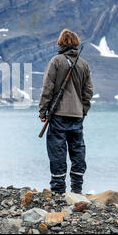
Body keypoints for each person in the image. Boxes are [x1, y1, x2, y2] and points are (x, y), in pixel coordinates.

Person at [39, 29, 94, 195]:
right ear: (76, 43)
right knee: (77, 150)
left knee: (57, 150)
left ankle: (58, 190)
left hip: (58, 115)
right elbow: (88, 91)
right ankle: (77, 189)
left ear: (60, 43)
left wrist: (43, 112)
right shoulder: (84, 64)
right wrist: (82, 111)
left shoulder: (56, 61)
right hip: (77, 115)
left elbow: (47, 88)